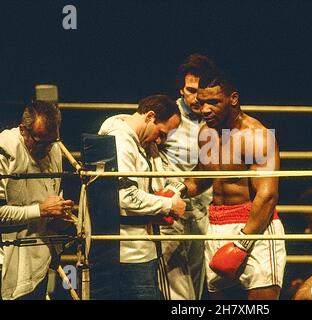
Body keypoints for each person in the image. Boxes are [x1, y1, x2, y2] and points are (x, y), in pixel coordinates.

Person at [183, 66, 286, 300]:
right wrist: (175, 191)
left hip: (254, 227)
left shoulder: (256, 136)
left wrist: (242, 242)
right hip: (216, 225)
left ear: (233, 99)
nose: (206, 110)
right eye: (201, 103)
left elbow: (268, 196)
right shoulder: (206, 133)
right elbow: (202, 177)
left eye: (214, 102)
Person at [98, 94, 186, 300]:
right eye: (161, 133)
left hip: (142, 247)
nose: (159, 140)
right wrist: (168, 204)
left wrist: (174, 190)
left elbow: (166, 180)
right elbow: (125, 196)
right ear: (150, 116)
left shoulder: (144, 144)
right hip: (129, 251)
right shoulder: (120, 141)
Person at [0, 100, 75, 300]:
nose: (48, 148)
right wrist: (41, 210)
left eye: (53, 141)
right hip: (8, 257)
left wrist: (58, 219)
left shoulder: (54, 149)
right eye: (41, 141)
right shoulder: (4, 151)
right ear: (23, 130)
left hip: (41, 255)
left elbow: (51, 195)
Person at [158, 54, 215, 300]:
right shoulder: (167, 117)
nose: (196, 98)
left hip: (203, 212)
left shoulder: (215, 119)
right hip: (171, 212)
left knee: (196, 285)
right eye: (191, 90)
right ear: (181, 88)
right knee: (177, 291)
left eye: (201, 91)